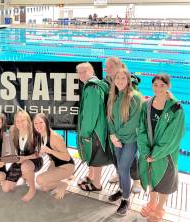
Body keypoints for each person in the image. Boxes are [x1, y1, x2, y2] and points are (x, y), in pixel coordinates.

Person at [138, 74, 185, 222]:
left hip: (166, 154)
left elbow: (172, 137)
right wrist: (146, 152)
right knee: (151, 178)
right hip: (149, 153)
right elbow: (141, 129)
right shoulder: (146, 105)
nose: (158, 88)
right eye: (155, 85)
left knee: (165, 181)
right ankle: (152, 203)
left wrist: (155, 154)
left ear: (168, 86)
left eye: (162, 85)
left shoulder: (175, 109)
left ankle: (160, 208)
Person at [107, 68, 143, 216]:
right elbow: (109, 117)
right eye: (117, 78)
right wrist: (112, 135)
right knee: (119, 167)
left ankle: (126, 200)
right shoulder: (113, 96)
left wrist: (117, 135)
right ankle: (121, 190)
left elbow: (133, 124)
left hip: (130, 140)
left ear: (128, 80)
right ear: (113, 81)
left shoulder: (135, 97)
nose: (120, 81)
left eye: (123, 78)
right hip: (117, 139)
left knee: (123, 168)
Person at [76, 62, 112, 192]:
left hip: (94, 130)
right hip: (99, 127)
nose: (81, 74)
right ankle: (91, 177)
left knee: (96, 157)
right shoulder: (96, 85)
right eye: (79, 72)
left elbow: (91, 113)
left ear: (92, 72)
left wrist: (85, 132)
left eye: (84, 71)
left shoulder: (92, 88)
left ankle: (97, 185)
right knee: (94, 156)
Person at [1, 111, 43, 202]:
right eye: (17, 121)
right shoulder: (13, 130)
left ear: (28, 121)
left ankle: (32, 189)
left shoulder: (35, 132)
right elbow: (8, 149)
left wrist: (25, 158)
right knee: (6, 188)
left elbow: (38, 153)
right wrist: (13, 155)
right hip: (19, 160)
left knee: (25, 166)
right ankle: (24, 175)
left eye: (23, 120)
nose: (20, 123)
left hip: (34, 160)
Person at [34, 113, 75, 199]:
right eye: (36, 123)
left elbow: (66, 157)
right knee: (45, 187)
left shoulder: (55, 137)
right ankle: (62, 179)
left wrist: (50, 151)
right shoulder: (41, 134)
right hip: (55, 163)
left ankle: (63, 184)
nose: (38, 125)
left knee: (39, 180)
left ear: (46, 122)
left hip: (66, 167)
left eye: (41, 122)